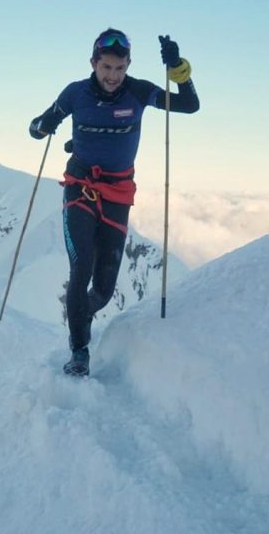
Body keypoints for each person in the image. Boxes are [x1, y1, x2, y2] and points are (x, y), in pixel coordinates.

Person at [29, 28, 200, 376]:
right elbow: (37, 127)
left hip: (119, 195)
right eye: (106, 67)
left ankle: (81, 313)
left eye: (119, 68)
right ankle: (80, 351)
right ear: (94, 63)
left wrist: (179, 68)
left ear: (128, 65)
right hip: (80, 186)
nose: (112, 76)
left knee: (103, 291)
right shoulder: (75, 93)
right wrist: (43, 125)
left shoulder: (138, 91)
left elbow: (189, 105)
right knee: (82, 268)